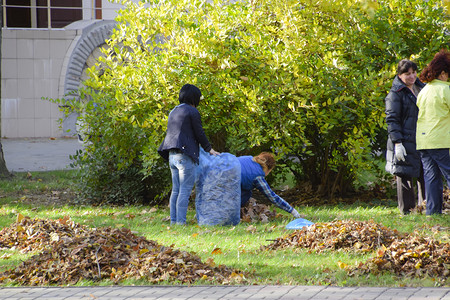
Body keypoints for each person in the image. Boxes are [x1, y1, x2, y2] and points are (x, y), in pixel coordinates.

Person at [158, 84, 220, 225]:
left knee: (176, 190)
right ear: (194, 98)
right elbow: (199, 133)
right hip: (185, 156)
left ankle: (174, 221)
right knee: (184, 191)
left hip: (172, 156)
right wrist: (209, 149)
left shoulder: (173, 111)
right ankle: (181, 223)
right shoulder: (192, 111)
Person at [385, 59, 426, 214]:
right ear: (399, 75)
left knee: (424, 173)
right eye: (407, 74)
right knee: (405, 176)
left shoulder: (422, 88)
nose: (412, 76)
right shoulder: (395, 94)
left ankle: (424, 207)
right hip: (403, 140)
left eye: (414, 72)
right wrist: (397, 143)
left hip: (422, 138)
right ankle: (407, 211)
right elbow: (392, 119)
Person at [415, 49, 450, 215]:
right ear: (443, 73)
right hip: (441, 140)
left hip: (423, 141)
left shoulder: (424, 90)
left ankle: (432, 213)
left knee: (431, 178)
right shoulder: (445, 90)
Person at [238, 152, 301, 218]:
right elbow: (272, 197)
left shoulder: (248, 158)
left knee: (247, 192)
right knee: (247, 195)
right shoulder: (257, 176)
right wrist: (292, 211)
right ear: (268, 169)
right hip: (228, 187)